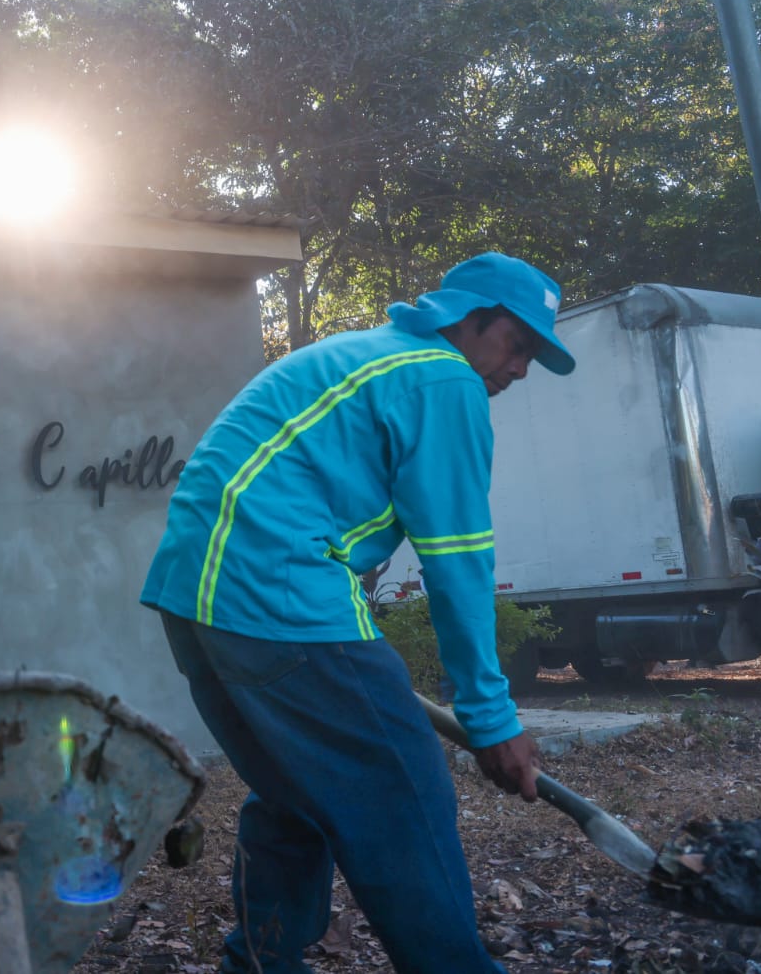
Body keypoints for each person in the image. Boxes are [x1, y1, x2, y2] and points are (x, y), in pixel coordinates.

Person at [141, 253, 575, 974]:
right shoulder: (443, 378)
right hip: (274, 589)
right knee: (404, 789)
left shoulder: (369, 355)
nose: (521, 369)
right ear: (472, 320)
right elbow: (458, 560)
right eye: (518, 344)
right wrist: (492, 719)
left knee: (296, 791)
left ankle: (258, 963)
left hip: (194, 595)